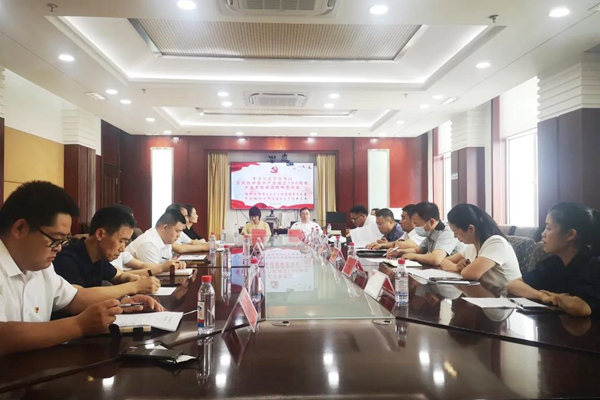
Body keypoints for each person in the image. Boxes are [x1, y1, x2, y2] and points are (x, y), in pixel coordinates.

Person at [0, 181, 161, 356]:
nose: (59, 248)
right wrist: (79, 325)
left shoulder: (40, 267)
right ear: (20, 228)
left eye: (63, 240)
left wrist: (120, 305)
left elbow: (74, 298)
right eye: (55, 239)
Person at [507, 202, 600, 317]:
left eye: (548, 228)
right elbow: (513, 285)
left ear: (570, 234)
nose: (543, 234)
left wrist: (557, 297)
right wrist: (542, 296)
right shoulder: (555, 263)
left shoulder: (594, 264)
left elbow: (580, 308)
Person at [54, 206, 164, 296]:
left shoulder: (99, 257)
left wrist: (133, 278)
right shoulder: (66, 258)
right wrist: (134, 287)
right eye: (121, 241)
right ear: (100, 234)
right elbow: (77, 297)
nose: (123, 249)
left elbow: (118, 276)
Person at [440, 204, 521, 290]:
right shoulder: (472, 246)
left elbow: (470, 274)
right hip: (490, 293)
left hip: (509, 295)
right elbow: (444, 261)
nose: (455, 236)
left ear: (470, 229)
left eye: (456, 232)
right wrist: (457, 267)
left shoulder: (496, 242)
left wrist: (462, 269)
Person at [400, 202, 465, 266]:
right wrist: (400, 251)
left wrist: (414, 256)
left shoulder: (448, 232)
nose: (415, 228)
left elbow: (436, 259)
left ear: (431, 222)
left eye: (417, 225)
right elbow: (417, 250)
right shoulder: (430, 232)